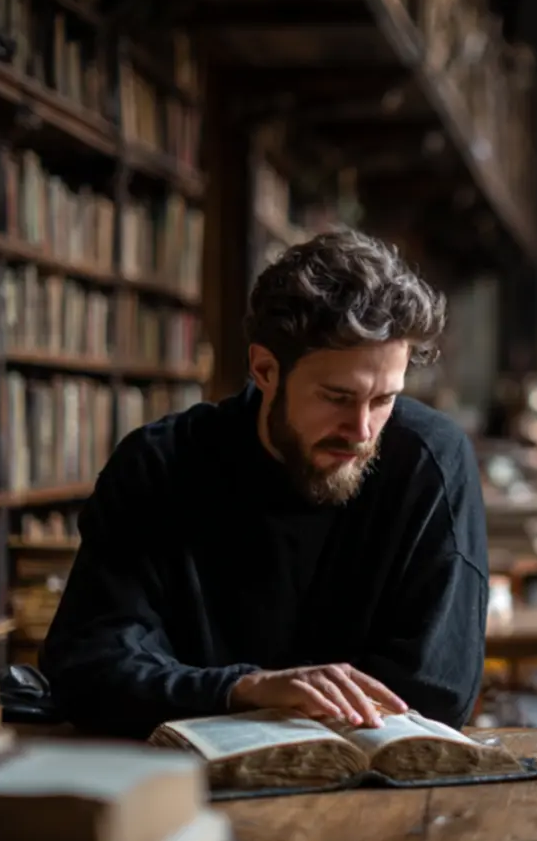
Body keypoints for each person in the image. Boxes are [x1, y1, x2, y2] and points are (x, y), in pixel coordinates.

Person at [40, 230, 489, 739]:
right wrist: (246, 689)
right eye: (337, 397)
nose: (362, 430)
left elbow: (437, 691)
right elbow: (86, 670)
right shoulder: (158, 466)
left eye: (384, 399)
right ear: (265, 369)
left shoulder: (431, 460)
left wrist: (201, 693)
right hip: (182, 789)